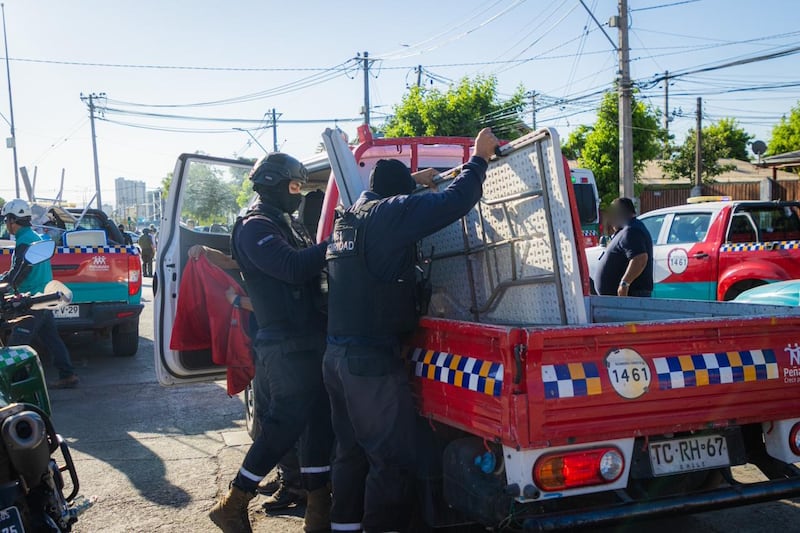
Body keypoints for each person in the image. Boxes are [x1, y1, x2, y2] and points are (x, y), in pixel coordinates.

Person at [323, 127, 499, 533]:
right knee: (391, 460)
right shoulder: (391, 214)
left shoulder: (348, 220)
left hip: (336, 359)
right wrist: (478, 158)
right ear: (396, 197)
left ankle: (343, 526)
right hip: (370, 362)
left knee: (350, 453)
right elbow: (457, 200)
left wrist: (411, 187)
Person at [209, 153, 332, 533]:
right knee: (285, 421)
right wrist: (340, 241)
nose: (298, 194)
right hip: (283, 341)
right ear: (274, 185)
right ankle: (235, 500)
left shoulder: (287, 224)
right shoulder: (254, 227)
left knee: (318, 423)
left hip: (309, 336)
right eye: (294, 186)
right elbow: (293, 269)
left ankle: (319, 509)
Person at [189, 244, 307, 511]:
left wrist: (236, 301)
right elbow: (234, 261)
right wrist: (204, 251)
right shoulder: (267, 252)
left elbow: (273, 304)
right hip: (265, 345)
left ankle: (294, 484)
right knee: (268, 416)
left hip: (279, 346)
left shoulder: (280, 258)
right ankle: (287, 475)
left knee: (278, 419)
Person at [0, 199, 79, 389]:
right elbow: (19, 269)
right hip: (44, 297)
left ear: (12, 220)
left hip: (32, 301)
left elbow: (18, 273)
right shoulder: (36, 237)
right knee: (52, 338)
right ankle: (67, 374)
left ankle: (17, 386)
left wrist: (4, 285)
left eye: (6, 220)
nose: (6, 224)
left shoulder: (24, 241)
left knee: (16, 345)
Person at [594, 197, 654, 297]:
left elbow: (640, 258)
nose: (611, 218)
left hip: (631, 296)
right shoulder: (627, 229)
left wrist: (624, 284)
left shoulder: (631, 230)